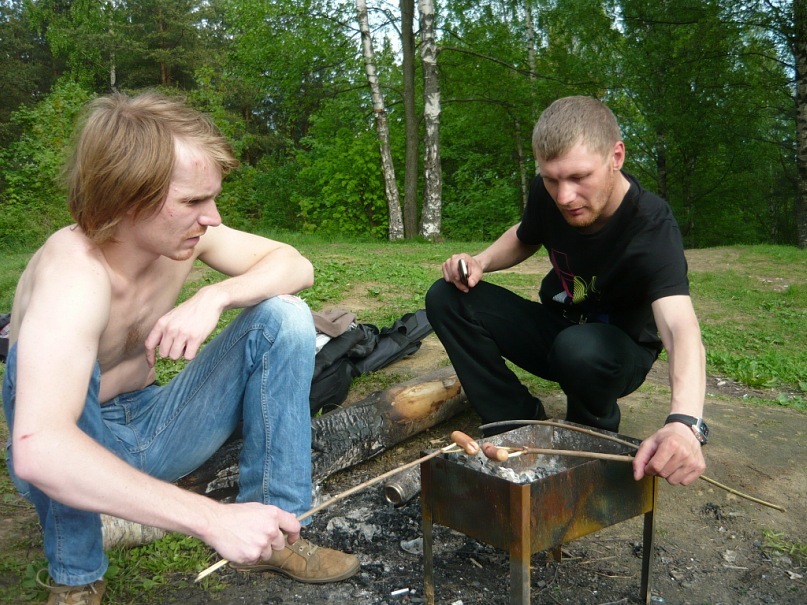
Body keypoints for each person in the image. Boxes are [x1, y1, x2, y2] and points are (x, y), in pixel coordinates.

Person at [1, 92, 359, 605]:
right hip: (76, 458)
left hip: (156, 426)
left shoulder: (184, 241)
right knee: (41, 374)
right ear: (126, 196)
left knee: (284, 315)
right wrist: (213, 519)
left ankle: (277, 532)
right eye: (192, 202)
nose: (211, 217)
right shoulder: (72, 275)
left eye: (210, 199)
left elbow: (297, 265)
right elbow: (41, 450)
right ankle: (76, 581)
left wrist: (216, 295)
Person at [426, 96, 707, 487]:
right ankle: (515, 423)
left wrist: (685, 423)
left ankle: (588, 437)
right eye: (551, 179)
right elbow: (525, 235)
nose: (564, 197)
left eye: (579, 177)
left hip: (613, 354)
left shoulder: (650, 225)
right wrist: (480, 261)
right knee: (447, 297)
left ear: (616, 156)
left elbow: (680, 327)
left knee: (580, 348)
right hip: (557, 328)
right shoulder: (550, 193)